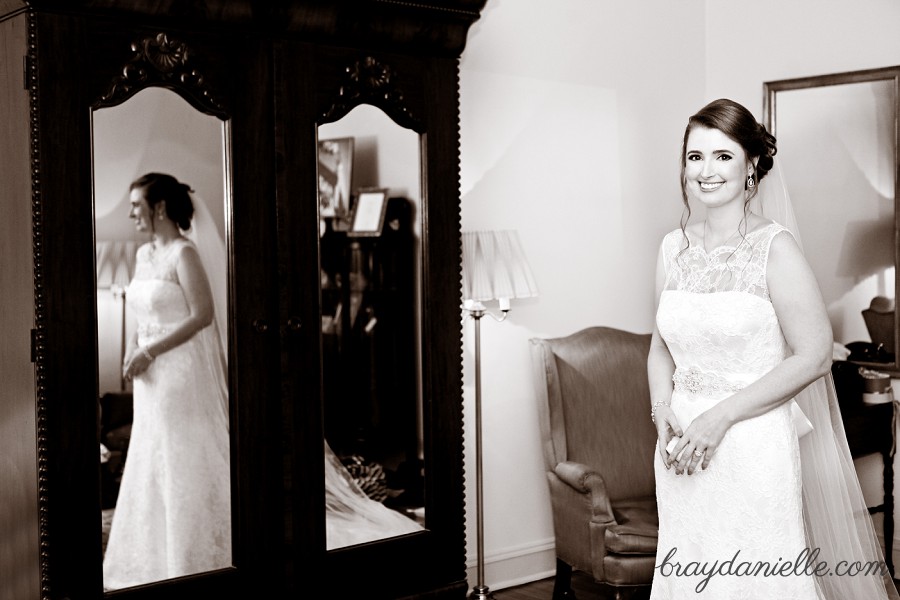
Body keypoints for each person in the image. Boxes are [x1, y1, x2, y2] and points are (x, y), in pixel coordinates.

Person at [648, 99, 899, 599]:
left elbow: (814, 354)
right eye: (695, 156)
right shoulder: (670, 249)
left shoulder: (775, 248)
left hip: (750, 441)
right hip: (680, 451)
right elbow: (660, 346)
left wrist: (719, 418)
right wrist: (661, 409)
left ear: (751, 166)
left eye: (723, 156)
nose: (706, 170)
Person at [103, 173, 231, 589]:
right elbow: (144, 314)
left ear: (159, 209)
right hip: (150, 376)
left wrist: (150, 351)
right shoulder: (143, 257)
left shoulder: (184, 253)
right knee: (150, 451)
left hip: (179, 371)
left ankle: (192, 553)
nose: (131, 213)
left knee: (181, 454)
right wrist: (132, 348)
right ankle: (151, 553)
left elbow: (202, 315)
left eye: (137, 205)